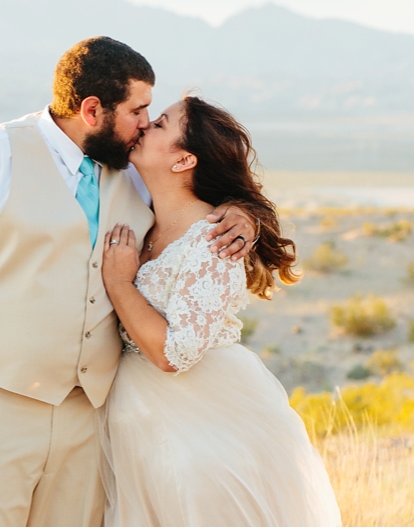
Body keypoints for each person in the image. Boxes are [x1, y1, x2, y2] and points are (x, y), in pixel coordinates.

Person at [0, 37, 258, 527]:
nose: (146, 123)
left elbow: (199, 185)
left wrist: (242, 212)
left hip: (88, 421)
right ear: (92, 109)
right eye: (138, 110)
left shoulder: (135, 170)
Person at [98, 95, 342, 527]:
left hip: (204, 422)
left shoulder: (213, 242)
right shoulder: (139, 207)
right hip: (139, 423)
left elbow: (175, 354)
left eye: (159, 124)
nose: (143, 127)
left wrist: (119, 283)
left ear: (184, 160)